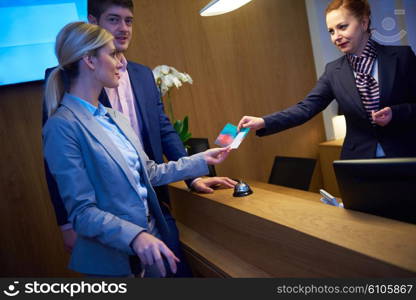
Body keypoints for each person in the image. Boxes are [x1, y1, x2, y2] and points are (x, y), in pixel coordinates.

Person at [43, 0, 237, 276]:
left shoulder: (114, 117)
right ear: (89, 60)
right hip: (118, 246)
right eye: (111, 54)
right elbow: (82, 211)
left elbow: (149, 172)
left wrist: (200, 161)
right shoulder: (62, 125)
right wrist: (135, 237)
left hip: (154, 225)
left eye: (128, 21)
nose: (119, 62)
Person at [238, 0, 416, 160]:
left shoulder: (402, 57)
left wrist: (396, 113)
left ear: (364, 22)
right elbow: (305, 108)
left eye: (342, 27)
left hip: (406, 154)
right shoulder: (333, 71)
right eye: (331, 31)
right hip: (359, 161)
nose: (335, 37)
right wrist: (263, 121)